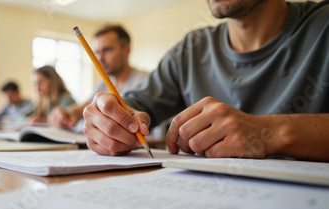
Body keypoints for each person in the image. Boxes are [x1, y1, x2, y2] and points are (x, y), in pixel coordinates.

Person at [83, 0, 329, 162]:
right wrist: (109, 118)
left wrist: (271, 132)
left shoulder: (323, 26)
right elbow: (137, 104)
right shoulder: (191, 50)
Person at [47, 25, 147, 129]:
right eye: (97, 52)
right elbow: (88, 105)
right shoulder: (104, 82)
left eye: (107, 50)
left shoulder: (144, 80)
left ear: (126, 50)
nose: (100, 58)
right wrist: (69, 112)